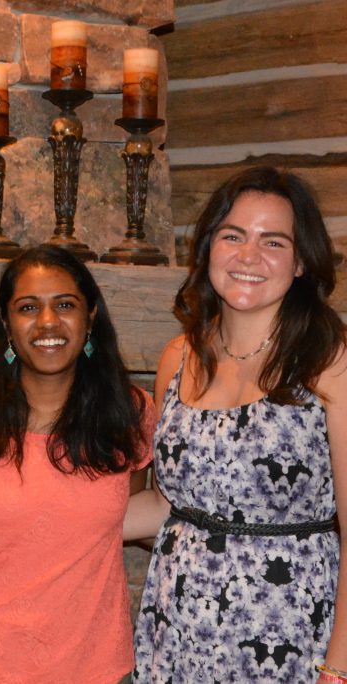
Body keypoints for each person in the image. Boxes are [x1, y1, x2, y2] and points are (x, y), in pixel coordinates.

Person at [125, 167, 347, 682]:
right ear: (207, 249)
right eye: (233, 236)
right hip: (177, 635)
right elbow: (167, 504)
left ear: (300, 264)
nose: (249, 256)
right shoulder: (178, 358)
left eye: (273, 241)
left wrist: (337, 667)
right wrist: (52, 517)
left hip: (289, 639)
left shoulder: (329, 363)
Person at [0, 246, 156, 682]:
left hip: (95, 665)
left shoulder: (129, 414)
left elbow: (122, 520)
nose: (48, 322)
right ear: (6, 323)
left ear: (91, 316)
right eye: (28, 307)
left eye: (65, 305)